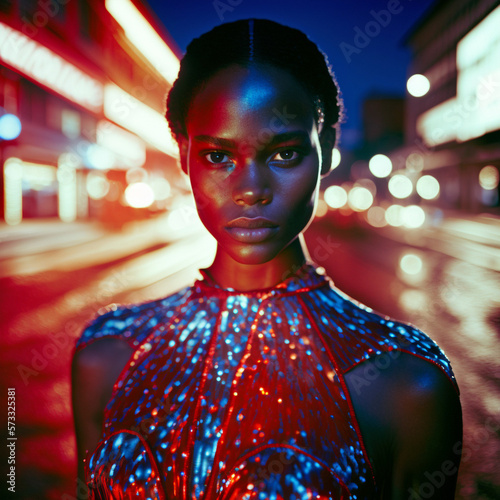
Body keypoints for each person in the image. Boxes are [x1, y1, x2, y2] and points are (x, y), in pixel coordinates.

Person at [72, 18, 462, 500]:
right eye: (218, 157)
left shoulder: (408, 382)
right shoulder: (106, 355)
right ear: (183, 153)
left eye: (284, 154)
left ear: (328, 148)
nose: (251, 190)